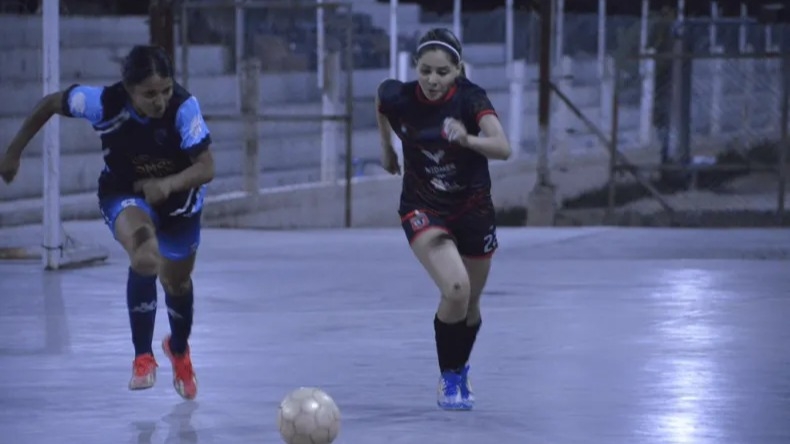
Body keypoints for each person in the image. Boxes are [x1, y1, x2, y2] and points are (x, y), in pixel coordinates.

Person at [0, 45, 214, 401]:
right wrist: (13, 151)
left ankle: (178, 350)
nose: (160, 101)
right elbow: (52, 103)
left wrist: (168, 184)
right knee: (145, 256)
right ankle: (142, 357)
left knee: (177, 284)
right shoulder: (102, 103)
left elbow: (206, 167)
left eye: (165, 90)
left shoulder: (183, 107)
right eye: (149, 94)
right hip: (124, 192)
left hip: (181, 202)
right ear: (128, 89)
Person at [375, 28, 511, 410]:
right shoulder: (397, 95)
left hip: (473, 207)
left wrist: (467, 139)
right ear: (415, 68)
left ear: (458, 70)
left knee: (470, 304)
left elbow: (502, 146)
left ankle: (460, 367)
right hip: (423, 205)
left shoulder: (471, 99)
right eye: (425, 71)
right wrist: (387, 149)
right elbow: (381, 104)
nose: (433, 80)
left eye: (443, 72)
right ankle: (449, 379)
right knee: (455, 288)